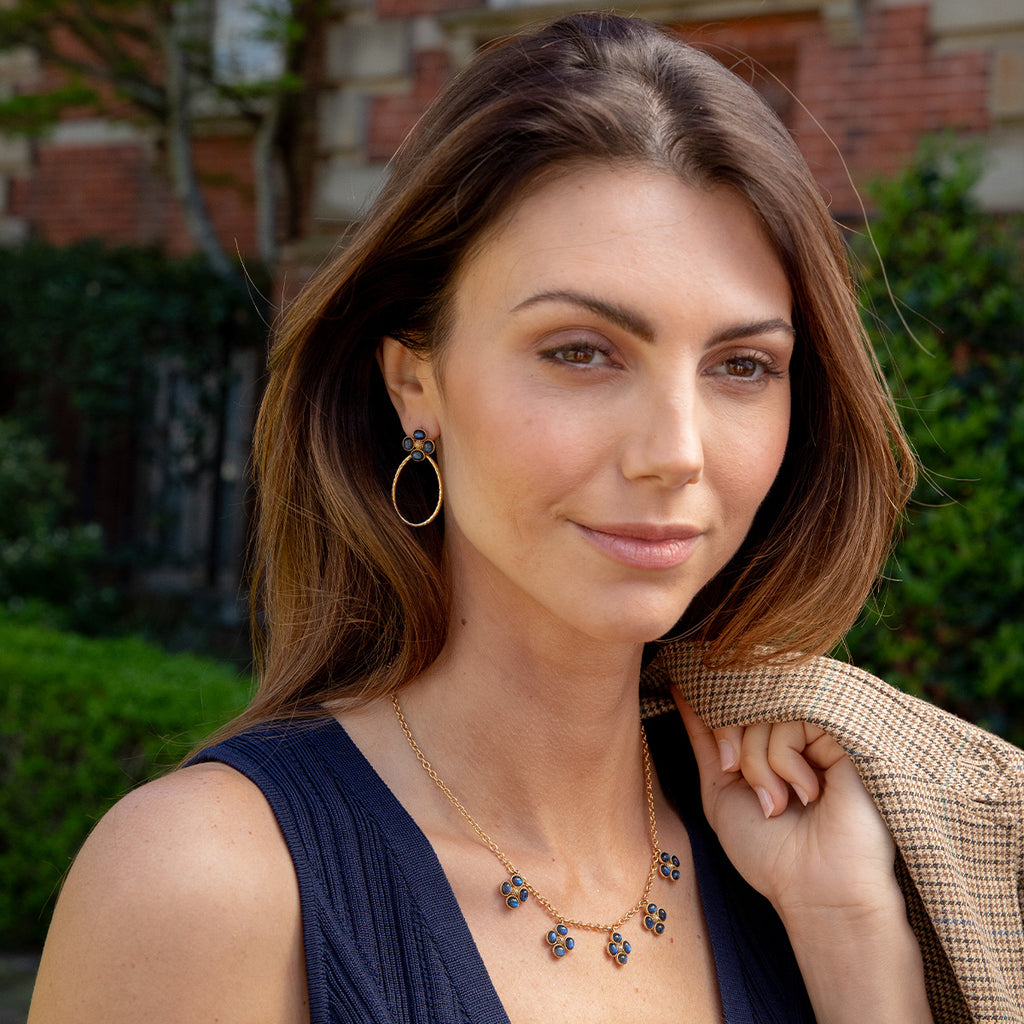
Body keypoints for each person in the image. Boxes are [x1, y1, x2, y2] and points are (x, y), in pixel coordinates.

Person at [29, 12, 1023, 1024]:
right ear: (416, 383)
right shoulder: (206, 888)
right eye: (581, 351)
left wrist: (850, 934)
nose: (675, 450)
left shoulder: (802, 864)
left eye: (741, 365)